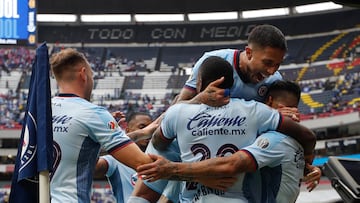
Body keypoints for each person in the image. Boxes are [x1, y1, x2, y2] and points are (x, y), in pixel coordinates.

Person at [130, 24, 306, 203]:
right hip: (193, 142)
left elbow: (276, 124)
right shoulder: (215, 60)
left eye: (277, 64)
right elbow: (181, 105)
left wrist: (282, 114)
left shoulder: (274, 81)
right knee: (148, 188)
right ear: (249, 52)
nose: (272, 71)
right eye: (268, 62)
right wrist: (199, 99)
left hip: (232, 157)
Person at [138, 80, 321, 203]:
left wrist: (171, 169)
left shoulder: (274, 140)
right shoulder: (292, 142)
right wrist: (309, 165)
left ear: (269, 101)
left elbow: (231, 165)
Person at [49, 48, 157, 202]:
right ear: (83, 74)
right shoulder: (93, 113)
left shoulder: (40, 113)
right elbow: (145, 164)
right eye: (92, 76)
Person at [95, 112, 153, 202]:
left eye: (152, 129)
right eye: (142, 127)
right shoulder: (116, 159)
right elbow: (91, 169)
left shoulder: (160, 157)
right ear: (128, 131)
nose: (148, 132)